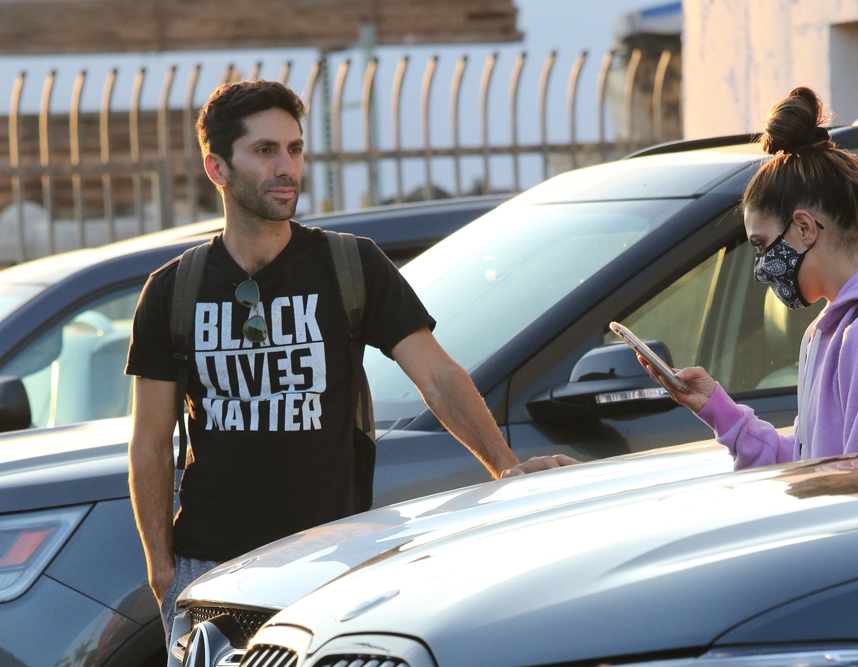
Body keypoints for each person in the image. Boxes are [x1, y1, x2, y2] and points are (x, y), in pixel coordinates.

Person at [125, 80, 577, 640]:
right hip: (212, 570)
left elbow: (436, 374)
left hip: (331, 561)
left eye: (294, 149)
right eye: (265, 150)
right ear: (217, 168)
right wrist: (162, 570)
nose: (286, 167)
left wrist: (504, 466)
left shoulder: (351, 265)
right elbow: (149, 443)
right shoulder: (173, 291)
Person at [639, 86, 858, 470]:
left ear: (804, 228)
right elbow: (805, 465)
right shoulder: (831, 332)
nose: (760, 267)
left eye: (762, 245)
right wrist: (715, 406)